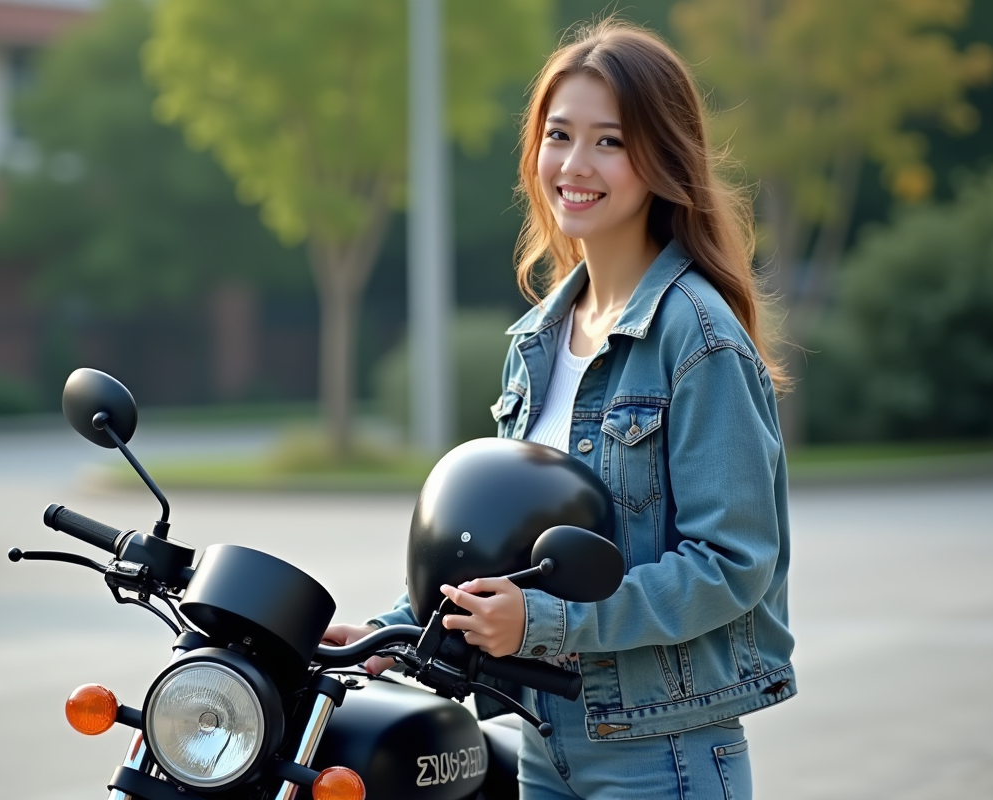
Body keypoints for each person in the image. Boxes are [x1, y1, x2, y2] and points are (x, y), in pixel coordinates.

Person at [323, 18, 795, 800]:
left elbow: (733, 564)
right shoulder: (541, 336)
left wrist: (547, 624)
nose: (575, 165)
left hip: (662, 752)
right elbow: (505, 545)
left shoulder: (697, 337)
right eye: (559, 135)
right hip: (546, 741)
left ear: (663, 159)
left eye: (610, 141)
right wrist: (394, 630)